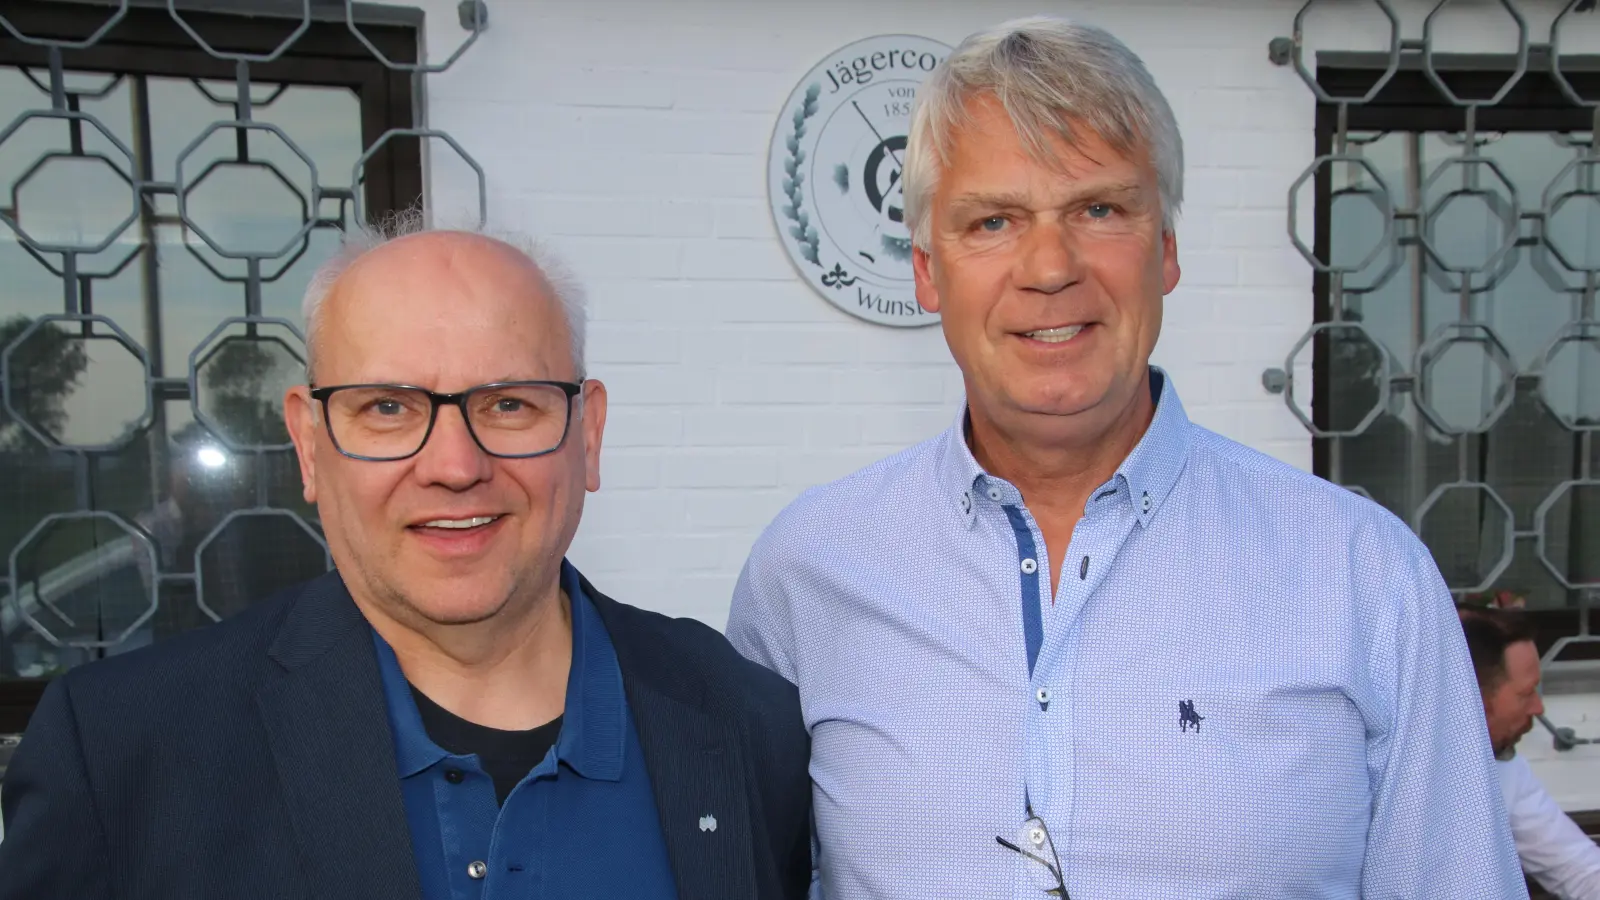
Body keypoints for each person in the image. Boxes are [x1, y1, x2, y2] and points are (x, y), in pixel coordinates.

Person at [727, 16, 1522, 899]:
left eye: (1098, 209)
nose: (1050, 266)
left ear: (1167, 250)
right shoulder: (805, 578)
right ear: (926, 271)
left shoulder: (1364, 579)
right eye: (993, 221)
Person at [0, 214, 812, 900]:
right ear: (311, 446)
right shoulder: (122, 754)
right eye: (388, 408)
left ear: (587, 435)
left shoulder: (745, 722)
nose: (455, 465)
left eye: (509, 404)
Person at [1460, 605, 1600, 899]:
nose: (1538, 709)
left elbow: (1580, 869)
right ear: (1474, 698)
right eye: (1526, 694)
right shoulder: (1370, 769)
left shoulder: (1504, 768)